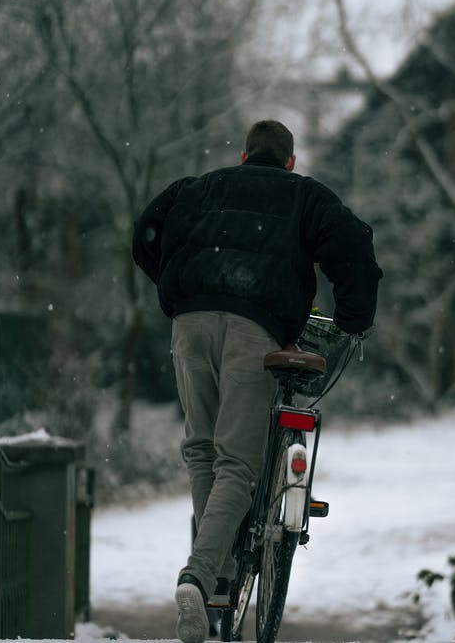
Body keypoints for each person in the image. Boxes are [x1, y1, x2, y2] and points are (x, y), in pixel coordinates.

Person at [132, 119, 382, 643]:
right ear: (289, 162)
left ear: (244, 156)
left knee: (202, 449)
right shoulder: (305, 196)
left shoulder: (197, 188)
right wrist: (354, 321)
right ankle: (199, 578)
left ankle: (217, 571)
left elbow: (145, 234)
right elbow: (354, 247)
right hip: (255, 329)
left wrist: (184, 283)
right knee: (238, 462)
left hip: (190, 324)